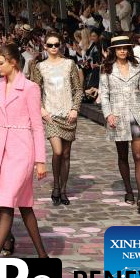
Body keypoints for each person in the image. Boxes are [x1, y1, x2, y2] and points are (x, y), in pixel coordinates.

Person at [0, 44, 49, 274]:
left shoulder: (30, 88)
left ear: (13, 62)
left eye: (0, 63)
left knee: (6, 204)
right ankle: (42, 255)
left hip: (23, 150)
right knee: (24, 206)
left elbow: (37, 125)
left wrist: (40, 160)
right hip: (4, 150)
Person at [99, 34, 140, 214]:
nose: (123, 51)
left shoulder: (137, 67)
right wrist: (108, 114)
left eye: (125, 48)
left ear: (129, 49)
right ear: (114, 50)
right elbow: (105, 94)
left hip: (137, 114)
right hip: (118, 116)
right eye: (119, 48)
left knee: (138, 156)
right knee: (122, 156)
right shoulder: (106, 69)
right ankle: (128, 191)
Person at [28, 32, 84, 206]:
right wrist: (42, 110)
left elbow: (78, 89)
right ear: (45, 46)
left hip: (68, 114)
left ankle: (63, 189)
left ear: (61, 45)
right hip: (50, 115)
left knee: (66, 154)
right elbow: (34, 91)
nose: (53, 48)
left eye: (56, 44)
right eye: (50, 45)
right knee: (57, 151)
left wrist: (75, 109)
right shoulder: (40, 67)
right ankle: (56, 186)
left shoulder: (69, 64)